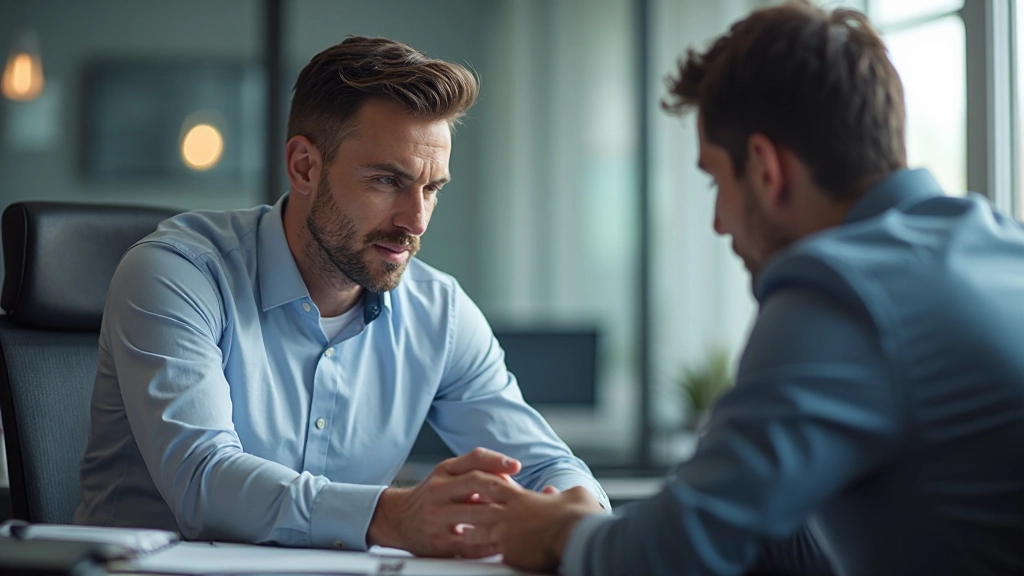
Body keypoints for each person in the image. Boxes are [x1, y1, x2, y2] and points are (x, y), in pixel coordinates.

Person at [470, 2, 1024, 575]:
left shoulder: (843, 291)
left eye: (716, 180)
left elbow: (676, 553)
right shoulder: (1001, 246)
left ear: (765, 168)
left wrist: (559, 532)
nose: (718, 223)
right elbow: (775, 530)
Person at [73, 36, 608, 556]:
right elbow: (203, 479)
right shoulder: (178, 274)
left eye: (431, 188)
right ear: (304, 166)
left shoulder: (439, 313)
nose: (416, 221)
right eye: (387, 181)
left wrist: (578, 519)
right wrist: (393, 516)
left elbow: (547, 468)